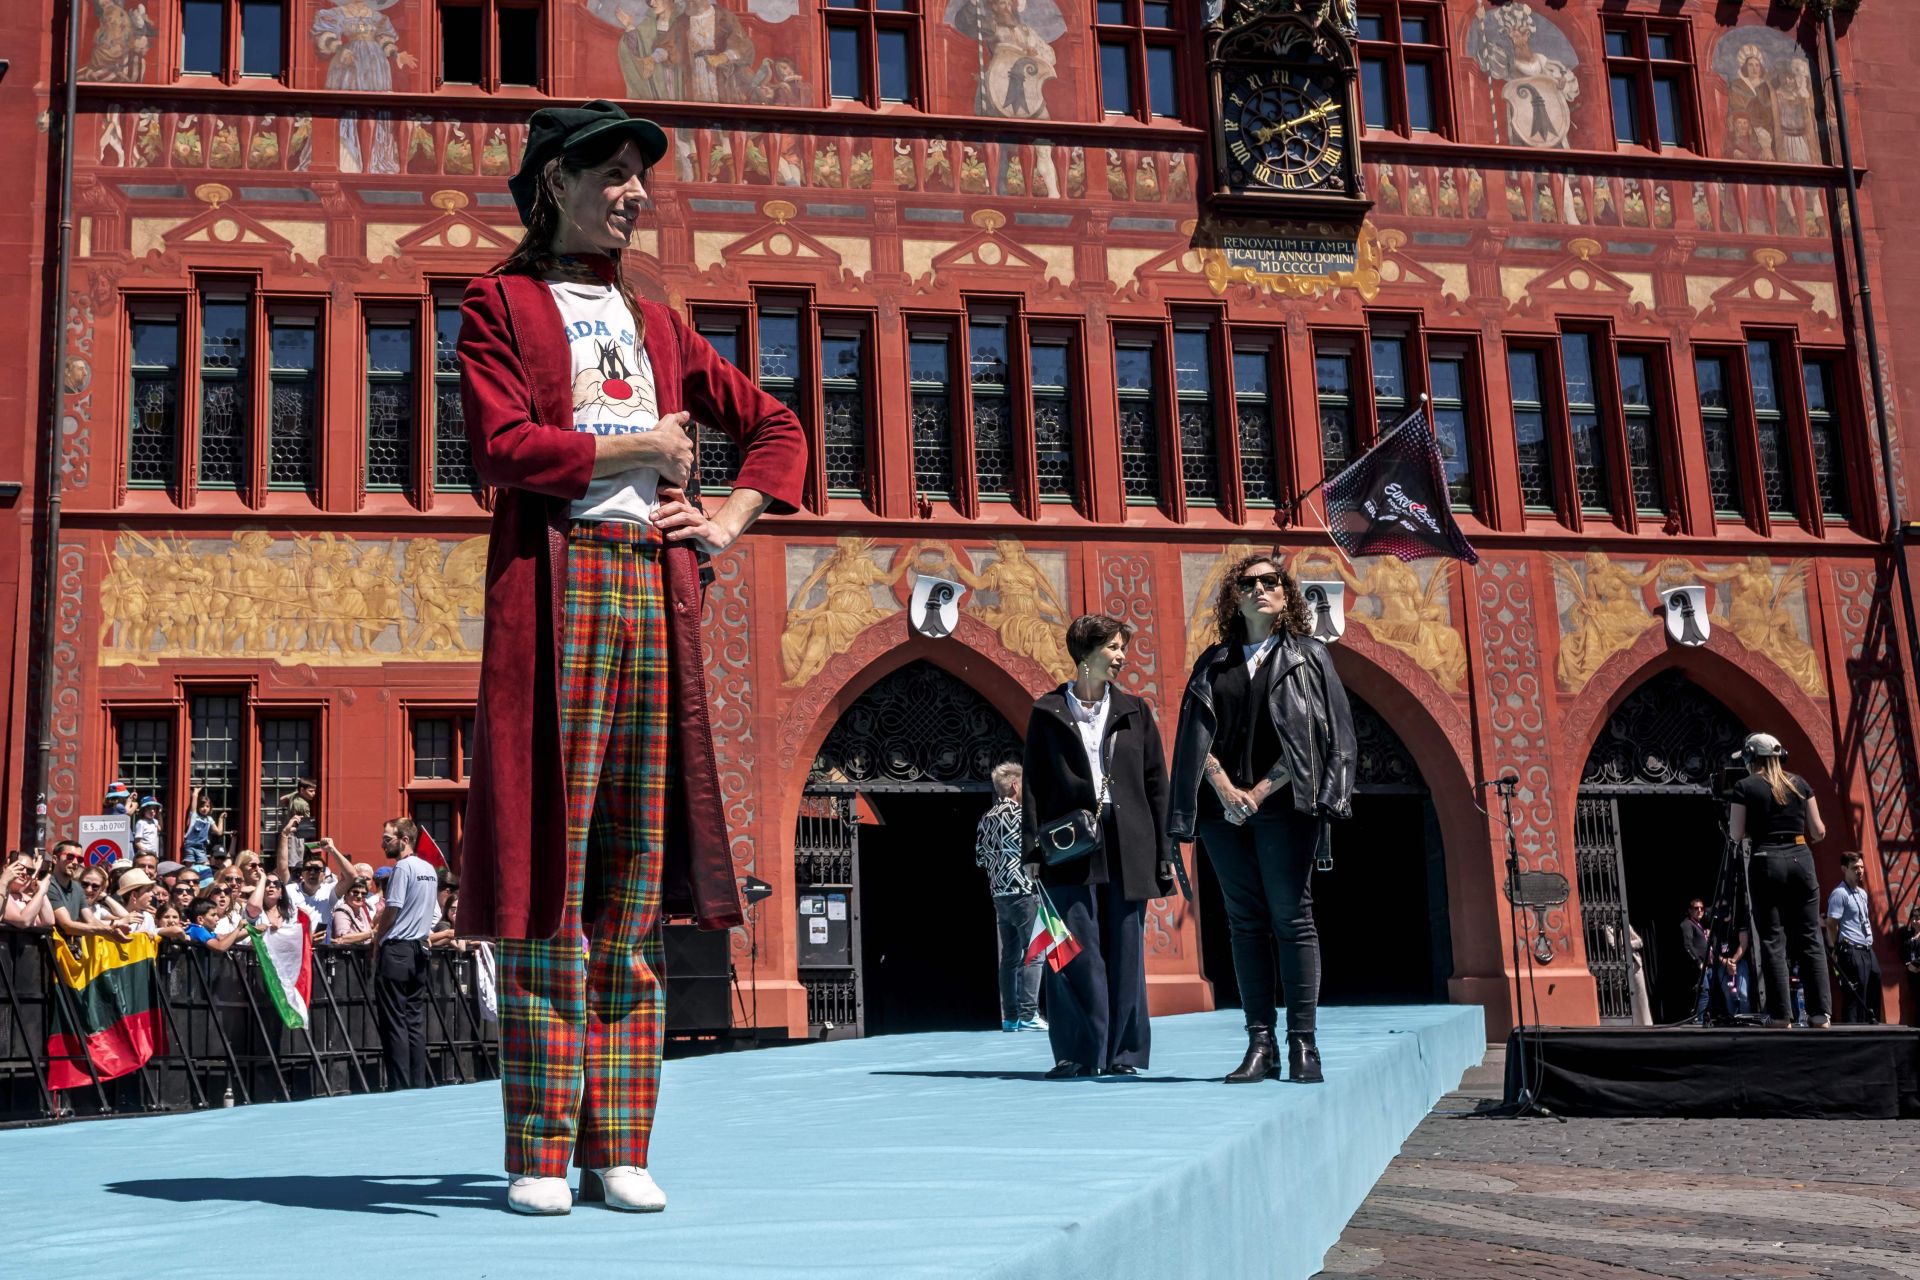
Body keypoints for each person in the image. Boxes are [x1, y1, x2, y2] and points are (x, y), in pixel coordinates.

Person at [457, 99, 805, 1217]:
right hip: (555, 588)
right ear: (551, 182)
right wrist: (642, 446)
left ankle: (621, 1144)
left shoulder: (660, 324)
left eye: (639, 177)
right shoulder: (500, 302)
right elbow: (505, 446)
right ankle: (539, 1152)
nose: (635, 193)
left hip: (652, 589)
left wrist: (729, 519)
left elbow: (779, 426)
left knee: (633, 875)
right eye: (611, 172)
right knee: (553, 875)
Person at [1170, 552, 1355, 1084]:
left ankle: (1303, 1044)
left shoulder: (1310, 656)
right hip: (1220, 812)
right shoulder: (1213, 661)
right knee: (1245, 925)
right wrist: (1226, 789)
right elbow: (1193, 739)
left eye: (1270, 582)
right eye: (1248, 583)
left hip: (1285, 807)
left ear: (1286, 594)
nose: (1259, 589)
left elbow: (1329, 737)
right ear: (1236, 596)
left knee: (1292, 920)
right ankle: (1259, 1044)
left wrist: (1259, 790)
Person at [1020, 614, 1172, 1080]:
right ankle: (1077, 1054)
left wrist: (1165, 851)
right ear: (1085, 653)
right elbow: (1034, 786)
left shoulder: (1135, 711)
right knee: (1071, 953)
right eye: (1113, 647)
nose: (1122, 656)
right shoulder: (1047, 712)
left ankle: (1122, 1055)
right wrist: (1031, 853)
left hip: (1130, 844)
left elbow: (1156, 784)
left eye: (1123, 647)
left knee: (1125, 951)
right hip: (1068, 847)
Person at [1727, 732, 1831, 1028]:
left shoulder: (1744, 786)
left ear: (1750, 758)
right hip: (1801, 857)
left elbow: (1736, 834)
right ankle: (1820, 1014)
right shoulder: (1800, 784)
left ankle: (1781, 1015)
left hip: (1765, 860)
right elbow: (1819, 831)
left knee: (1773, 938)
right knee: (1810, 936)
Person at [366, 818, 437, 1092]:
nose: (383, 843)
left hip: (397, 948)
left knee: (394, 1021)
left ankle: (400, 1086)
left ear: (403, 840)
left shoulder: (403, 868)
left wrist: (378, 937)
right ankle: (416, 1083)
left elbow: (392, 908)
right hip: (420, 949)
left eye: (388, 838)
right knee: (414, 1020)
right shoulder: (429, 869)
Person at [974, 762, 1045, 1033]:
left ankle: (1011, 1017)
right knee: (1036, 952)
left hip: (999, 894)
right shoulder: (1021, 815)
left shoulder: (986, 817)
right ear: (1016, 786)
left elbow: (980, 858)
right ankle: (1029, 1013)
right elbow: (1037, 848)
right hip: (1023, 891)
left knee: (1010, 957)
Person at [1825, 851, 1882, 1024]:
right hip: (1851, 949)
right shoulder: (1839, 893)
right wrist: (1836, 946)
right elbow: (1831, 923)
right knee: (1854, 996)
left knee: (1873, 986)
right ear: (1844, 869)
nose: (1860, 871)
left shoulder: (1862, 893)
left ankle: (1871, 1027)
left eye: (1862, 867)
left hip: (1867, 949)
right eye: (1855, 867)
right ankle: (1853, 1032)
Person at [1682, 899, 1713, 1024]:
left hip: (1708, 964)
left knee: (1707, 992)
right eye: (1696, 908)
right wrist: (1698, 962)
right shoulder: (1687, 924)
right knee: (1703, 992)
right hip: (1700, 966)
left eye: (1701, 908)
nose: (1699, 910)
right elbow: (1688, 946)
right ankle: (1699, 1020)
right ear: (1690, 910)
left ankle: (1704, 1019)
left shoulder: (1699, 924)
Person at [3, 853, 53, 928]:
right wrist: (41, 892)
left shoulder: (25, 898)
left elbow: (48, 921)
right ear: (6, 867)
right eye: (20, 867)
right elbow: (23, 921)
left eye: (30, 871)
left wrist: (39, 891)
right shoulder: (2, 894)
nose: (25, 873)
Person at [182, 787, 228, 866]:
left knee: (205, 865)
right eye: (202, 806)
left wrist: (221, 819)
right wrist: (196, 792)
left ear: (210, 808)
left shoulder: (209, 819)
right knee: (190, 866)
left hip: (201, 847)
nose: (205, 809)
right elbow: (194, 804)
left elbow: (219, 832)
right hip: (190, 845)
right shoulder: (194, 816)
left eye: (207, 806)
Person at [331, 878, 377, 944]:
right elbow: (342, 938)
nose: (359, 896)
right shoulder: (341, 911)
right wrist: (372, 933)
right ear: (346, 893)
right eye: (355, 892)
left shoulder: (361, 910)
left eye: (363, 894)